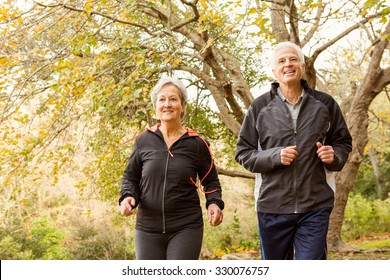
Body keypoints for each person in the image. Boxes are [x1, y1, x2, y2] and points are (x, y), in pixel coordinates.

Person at [235, 41, 352, 260]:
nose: (287, 64)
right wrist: (274, 156)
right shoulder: (259, 107)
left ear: (302, 66)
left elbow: (343, 142)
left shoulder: (325, 104)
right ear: (273, 70)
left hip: (315, 205)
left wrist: (333, 156)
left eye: (293, 59)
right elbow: (243, 153)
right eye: (281, 61)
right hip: (272, 206)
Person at [119, 76, 224, 260]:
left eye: (173, 99)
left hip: (186, 227)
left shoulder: (197, 143)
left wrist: (214, 202)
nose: (167, 104)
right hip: (147, 227)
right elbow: (130, 177)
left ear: (182, 106)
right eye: (162, 99)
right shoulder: (143, 141)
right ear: (155, 107)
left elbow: (211, 181)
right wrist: (128, 197)